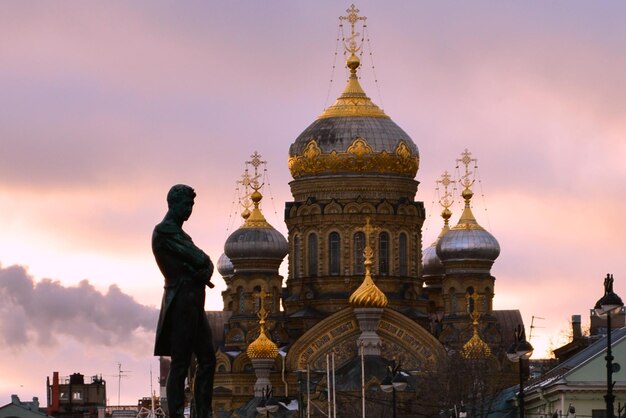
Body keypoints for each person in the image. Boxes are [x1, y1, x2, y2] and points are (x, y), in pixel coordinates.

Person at [153, 184, 215, 418]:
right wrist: (203, 267)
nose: (189, 209)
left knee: (207, 359)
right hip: (181, 300)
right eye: (186, 204)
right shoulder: (165, 232)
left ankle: (203, 412)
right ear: (173, 204)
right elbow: (200, 258)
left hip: (194, 302)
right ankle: (177, 414)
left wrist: (205, 269)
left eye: (191, 205)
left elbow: (206, 265)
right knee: (181, 362)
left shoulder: (180, 234)